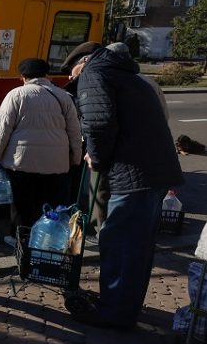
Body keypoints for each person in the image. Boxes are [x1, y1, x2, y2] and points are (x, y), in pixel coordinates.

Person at [67, 46, 183, 328]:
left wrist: (96, 156)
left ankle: (114, 313)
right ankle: (123, 305)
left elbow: (98, 123)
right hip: (153, 173)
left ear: (83, 62)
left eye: (73, 75)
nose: (74, 81)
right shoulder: (128, 76)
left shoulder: (95, 74)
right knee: (138, 247)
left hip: (133, 175)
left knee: (119, 243)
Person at [0, 57, 82, 248]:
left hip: (21, 162)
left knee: (22, 202)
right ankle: (47, 241)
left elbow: (2, 130)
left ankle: (19, 239)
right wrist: (75, 157)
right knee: (50, 203)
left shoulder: (16, 95)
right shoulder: (63, 96)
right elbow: (74, 130)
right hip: (56, 162)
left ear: (23, 77)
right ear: (47, 75)